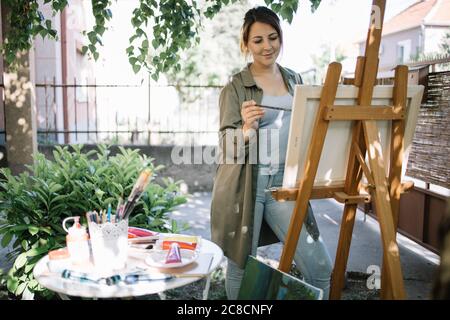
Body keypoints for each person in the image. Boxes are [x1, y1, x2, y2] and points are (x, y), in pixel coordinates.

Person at [210, 6, 333, 300]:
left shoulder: (295, 81)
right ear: (246, 44)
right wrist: (246, 129)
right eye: (258, 40)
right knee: (241, 267)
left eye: (273, 37)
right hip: (245, 186)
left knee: (320, 269)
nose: (267, 46)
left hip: (285, 185)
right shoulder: (236, 87)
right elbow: (227, 146)